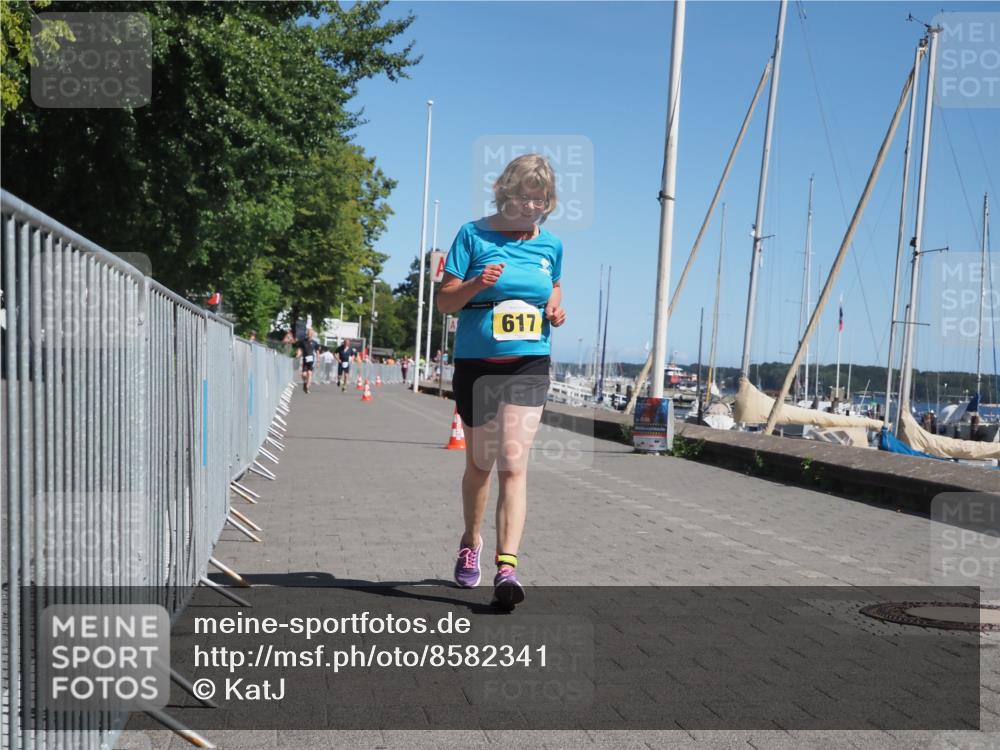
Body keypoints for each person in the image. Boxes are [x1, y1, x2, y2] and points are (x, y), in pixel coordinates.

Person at [436, 154, 566, 609]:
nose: (531, 207)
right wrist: (476, 284)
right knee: (481, 465)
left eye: (540, 200)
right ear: (505, 195)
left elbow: (552, 286)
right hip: (478, 364)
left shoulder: (551, 246)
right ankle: (470, 539)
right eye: (524, 198)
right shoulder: (472, 235)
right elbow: (444, 303)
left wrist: (555, 309)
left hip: (529, 363)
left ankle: (506, 568)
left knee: (514, 462)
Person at [296, 328, 320, 393]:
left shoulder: (315, 343)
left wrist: (318, 361)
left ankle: (307, 387)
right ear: (307, 334)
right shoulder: (303, 341)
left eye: (311, 333)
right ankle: (305, 382)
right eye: (308, 333)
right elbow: (300, 350)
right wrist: (298, 355)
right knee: (303, 374)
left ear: (312, 334)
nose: (309, 334)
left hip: (312, 360)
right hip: (305, 359)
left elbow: (317, 352)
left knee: (309, 373)